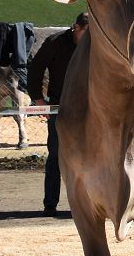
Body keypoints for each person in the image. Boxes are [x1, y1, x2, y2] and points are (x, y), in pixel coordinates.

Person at [26, 12, 88, 216]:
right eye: (87, 32)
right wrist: (38, 99)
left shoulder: (97, 43)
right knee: (56, 155)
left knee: (89, 156)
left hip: (90, 108)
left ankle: (89, 204)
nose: (90, 37)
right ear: (76, 28)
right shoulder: (55, 42)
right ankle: (50, 204)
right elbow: (35, 69)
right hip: (60, 107)